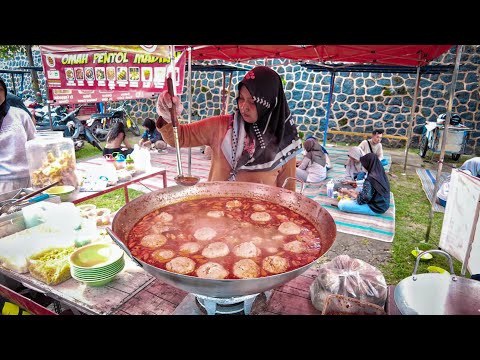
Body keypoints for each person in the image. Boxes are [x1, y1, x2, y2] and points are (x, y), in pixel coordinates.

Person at [155, 66, 302, 192]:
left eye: (252, 101)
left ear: (270, 104)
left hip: (257, 220)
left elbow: (288, 196)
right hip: (214, 215)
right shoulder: (221, 126)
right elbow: (180, 137)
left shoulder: (284, 144)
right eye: (241, 98)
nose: (244, 107)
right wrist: (168, 116)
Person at [0, 78, 36, 194]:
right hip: (3, 185)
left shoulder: (19, 115)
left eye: (0, 90)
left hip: (30, 179)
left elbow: (34, 144)